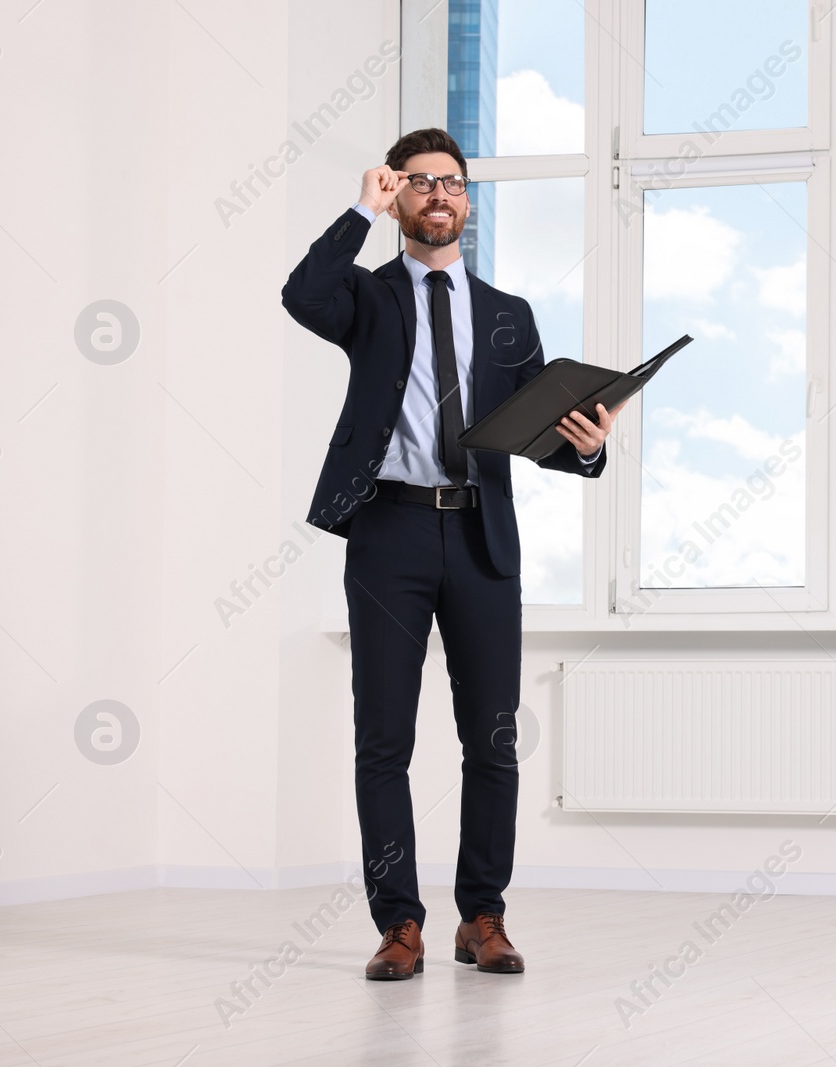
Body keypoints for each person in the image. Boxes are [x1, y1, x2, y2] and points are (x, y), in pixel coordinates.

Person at [281, 127, 621, 979]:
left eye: (453, 184)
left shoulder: (509, 315)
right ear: (400, 198)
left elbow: (540, 431)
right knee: (383, 741)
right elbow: (301, 293)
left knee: (493, 740)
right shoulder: (367, 297)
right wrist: (361, 205)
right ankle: (399, 924)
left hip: (479, 536)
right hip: (390, 532)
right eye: (420, 183)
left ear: (468, 201)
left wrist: (584, 443)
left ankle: (484, 916)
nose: (440, 195)